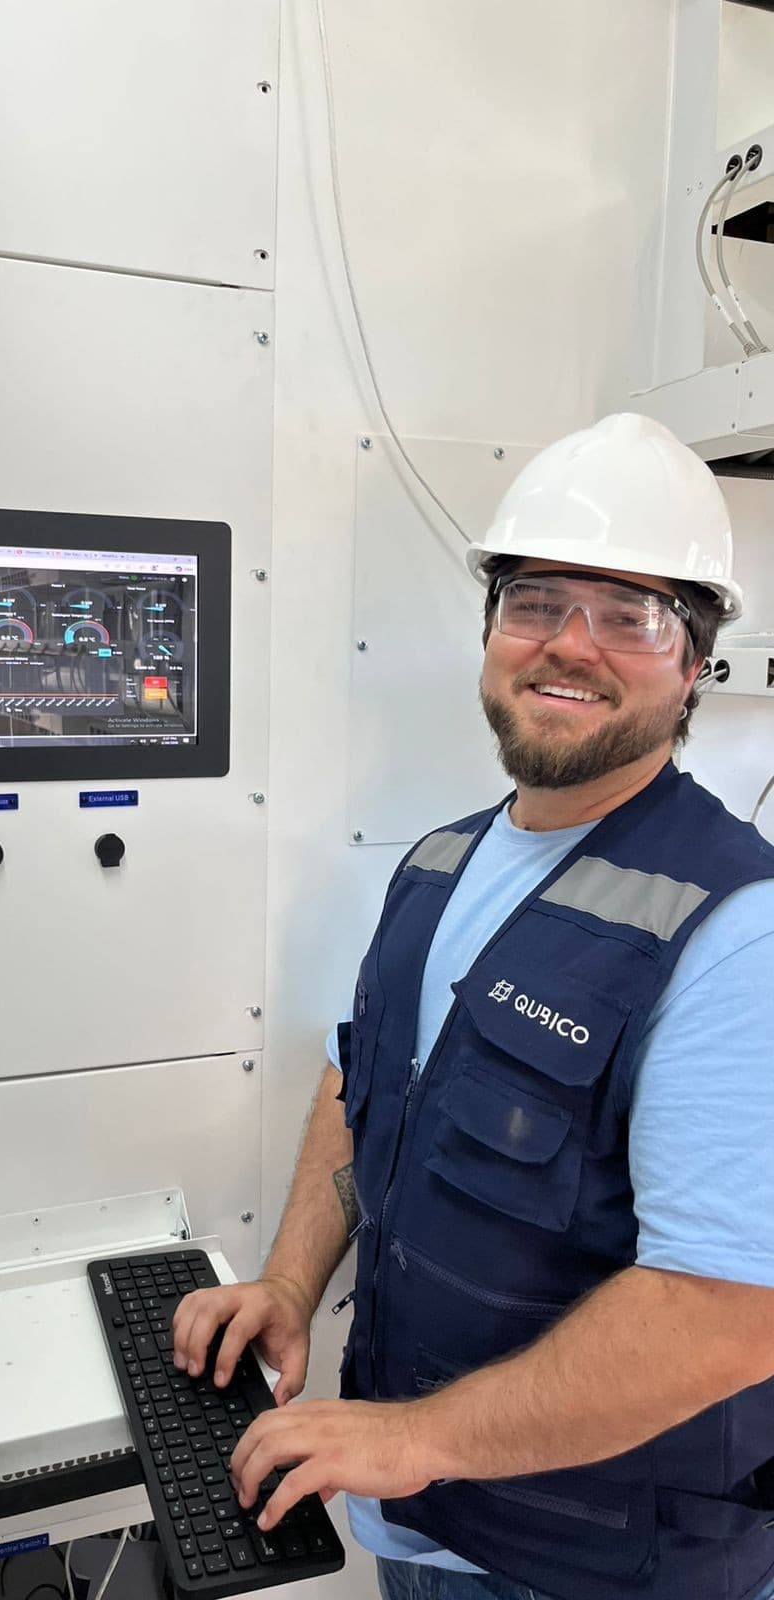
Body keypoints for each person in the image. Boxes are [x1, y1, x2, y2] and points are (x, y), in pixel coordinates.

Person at [171, 414, 774, 1600]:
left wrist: (411, 1438)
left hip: (600, 1569)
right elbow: (363, 1086)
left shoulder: (738, 929)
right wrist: (291, 1287)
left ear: (697, 659)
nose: (571, 644)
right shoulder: (440, 863)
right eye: (538, 600)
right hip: (430, 1529)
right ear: (491, 630)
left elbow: (729, 1313)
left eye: (632, 614)